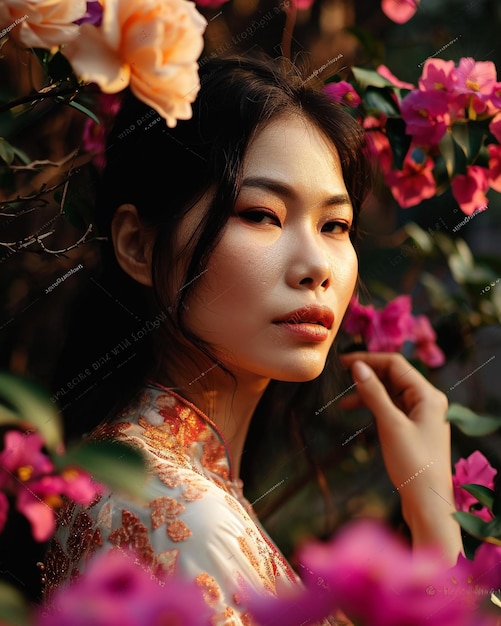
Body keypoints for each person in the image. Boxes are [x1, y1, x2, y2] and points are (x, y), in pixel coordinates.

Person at [41, 51, 463, 624]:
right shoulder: (177, 513)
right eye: (261, 214)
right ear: (139, 246)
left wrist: (429, 504)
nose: (317, 265)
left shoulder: (175, 490)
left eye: (334, 226)